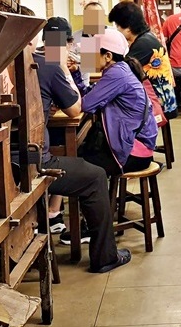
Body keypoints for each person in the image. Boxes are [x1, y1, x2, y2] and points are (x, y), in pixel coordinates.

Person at [30, 22, 131, 273]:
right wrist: (63, 65)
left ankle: (53, 215)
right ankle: (104, 256)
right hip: (34, 165)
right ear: (66, 44)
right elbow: (76, 108)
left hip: (4, 161)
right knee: (94, 175)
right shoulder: (51, 64)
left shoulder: (16, 62)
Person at [75, 27, 158, 176]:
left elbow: (86, 104)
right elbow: (89, 94)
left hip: (134, 152)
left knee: (79, 166)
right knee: (81, 155)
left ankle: (98, 198)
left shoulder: (116, 74)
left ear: (107, 56)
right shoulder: (118, 70)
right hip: (136, 145)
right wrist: (76, 71)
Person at [109, 0, 178, 119]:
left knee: (110, 110)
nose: (117, 30)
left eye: (117, 26)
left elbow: (120, 72)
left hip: (158, 105)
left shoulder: (143, 44)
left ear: (128, 28)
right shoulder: (146, 38)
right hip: (160, 100)